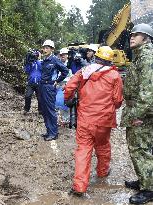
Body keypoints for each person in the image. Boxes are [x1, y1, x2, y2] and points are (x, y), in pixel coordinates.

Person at [64, 46, 123, 196]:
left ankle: (79, 186)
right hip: (104, 120)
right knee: (103, 145)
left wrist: (67, 99)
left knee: (83, 149)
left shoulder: (85, 70)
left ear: (96, 56)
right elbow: (117, 101)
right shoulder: (115, 75)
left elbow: (69, 87)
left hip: (85, 119)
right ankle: (102, 172)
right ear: (110, 60)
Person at [120, 23, 153, 204]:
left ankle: (149, 189)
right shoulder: (141, 56)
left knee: (140, 150)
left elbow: (148, 92)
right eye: (131, 34)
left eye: (137, 35)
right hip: (138, 109)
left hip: (142, 112)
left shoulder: (147, 57)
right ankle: (144, 180)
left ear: (146, 38)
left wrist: (138, 115)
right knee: (140, 149)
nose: (132, 37)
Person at [39, 40, 69, 141]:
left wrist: (57, 81)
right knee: (44, 110)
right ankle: (49, 131)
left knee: (50, 110)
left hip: (49, 87)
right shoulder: (44, 60)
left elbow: (65, 71)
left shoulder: (55, 60)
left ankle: (54, 133)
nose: (45, 49)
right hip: (42, 87)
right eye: (44, 47)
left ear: (52, 49)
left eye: (48, 48)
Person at [23, 50, 42, 115]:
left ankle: (40, 110)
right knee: (27, 96)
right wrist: (28, 63)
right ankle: (26, 109)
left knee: (40, 98)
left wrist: (39, 59)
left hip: (39, 83)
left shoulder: (40, 62)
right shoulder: (30, 62)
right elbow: (27, 71)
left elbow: (44, 69)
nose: (34, 56)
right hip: (30, 83)